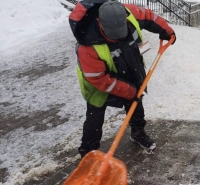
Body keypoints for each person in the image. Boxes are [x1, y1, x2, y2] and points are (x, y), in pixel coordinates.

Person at [68, 0, 176, 158]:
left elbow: (149, 16)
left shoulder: (129, 13)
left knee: (136, 103)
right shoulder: (87, 43)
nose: (118, 35)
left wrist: (166, 31)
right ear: (100, 22)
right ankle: (89, 153)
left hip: (129, 67)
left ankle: (138, 133)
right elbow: (100, 79)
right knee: (95, 116)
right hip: (98, 82)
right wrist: (129, 90)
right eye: (113, 32)